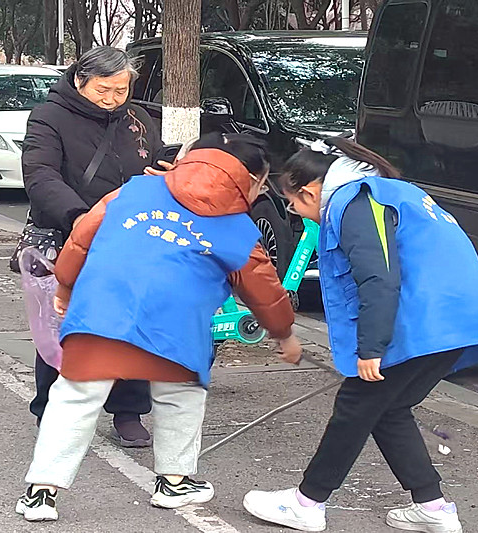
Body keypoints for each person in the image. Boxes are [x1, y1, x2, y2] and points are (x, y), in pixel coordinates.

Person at [16, 133, 302, 522]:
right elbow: (262, 290)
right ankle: (174, 483)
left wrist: (65, 286)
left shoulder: (135, 190)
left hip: (103, 310)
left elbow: (82, 238)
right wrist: (283, 333)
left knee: (75, 398)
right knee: (180, 397)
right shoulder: (237, 228)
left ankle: (40, 494)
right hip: (178, 325)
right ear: (250, 180)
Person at [242, 137, 478, 533]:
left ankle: (308, 501)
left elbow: (378, 277)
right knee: (387, 408)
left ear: (311, 190)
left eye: (295, 203)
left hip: (423, 321)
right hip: (453, 319)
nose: (297, 213)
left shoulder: (358, 202)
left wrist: (370, 347)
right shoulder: (390, 192)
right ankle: (433, 508)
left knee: (356, 404)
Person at [21, 46, 164, 446]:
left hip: (131, 236)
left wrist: (166, 166)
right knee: (64, 325)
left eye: (121, 90)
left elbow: (153, 156)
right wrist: (78, 217)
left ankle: (128, 411)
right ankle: (50, 407)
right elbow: (40, 174)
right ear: (81, 79)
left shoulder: (137, 117)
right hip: (71, 235)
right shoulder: (49, 117)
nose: (112, 99)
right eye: (104, 89)